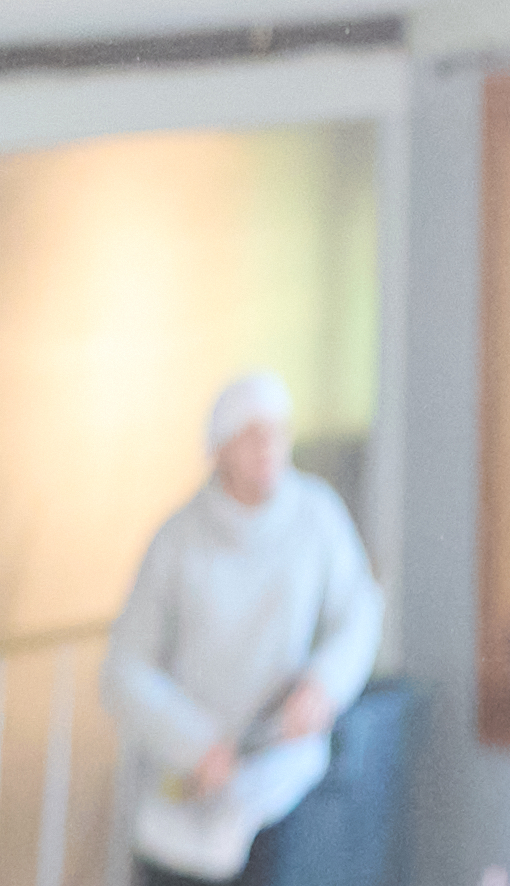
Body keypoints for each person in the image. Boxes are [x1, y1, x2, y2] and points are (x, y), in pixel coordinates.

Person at [104, 368, 382, 886]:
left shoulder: (316, 516)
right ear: (220, 449)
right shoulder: (179, 540)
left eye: (278, 431)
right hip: (191, 788)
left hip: (281, 786)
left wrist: (323, 686)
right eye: (253, 434)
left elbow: (359, 614)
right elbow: (124, 668)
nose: (268, 447)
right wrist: (194, 744)